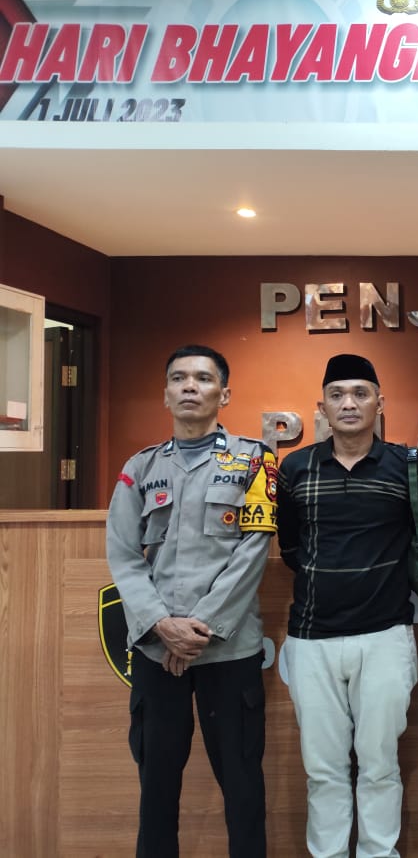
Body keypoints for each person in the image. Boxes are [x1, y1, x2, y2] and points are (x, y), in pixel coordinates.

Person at [106, 343, 277, 858]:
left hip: (228, 649)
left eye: (203, 379)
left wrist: (198, 627)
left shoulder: (256, 461)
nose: (189, 387)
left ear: (224, 394)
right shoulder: (139, 468)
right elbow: (123, 555)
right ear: (165, 394)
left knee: (243, 786)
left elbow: (254, 549)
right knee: (156, 787)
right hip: (158, 652)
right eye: (179, 378)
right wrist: (162, 624)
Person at [277, 353, 418, 858]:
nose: (349, 403)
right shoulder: (295, 468)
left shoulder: (407, 466)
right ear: (321, 406)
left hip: (385, 635)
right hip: (311, 639)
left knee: (380, 766)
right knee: (322, 770)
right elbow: (290, 548)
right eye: (338, 395)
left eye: (360, 393)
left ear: (379, 403)